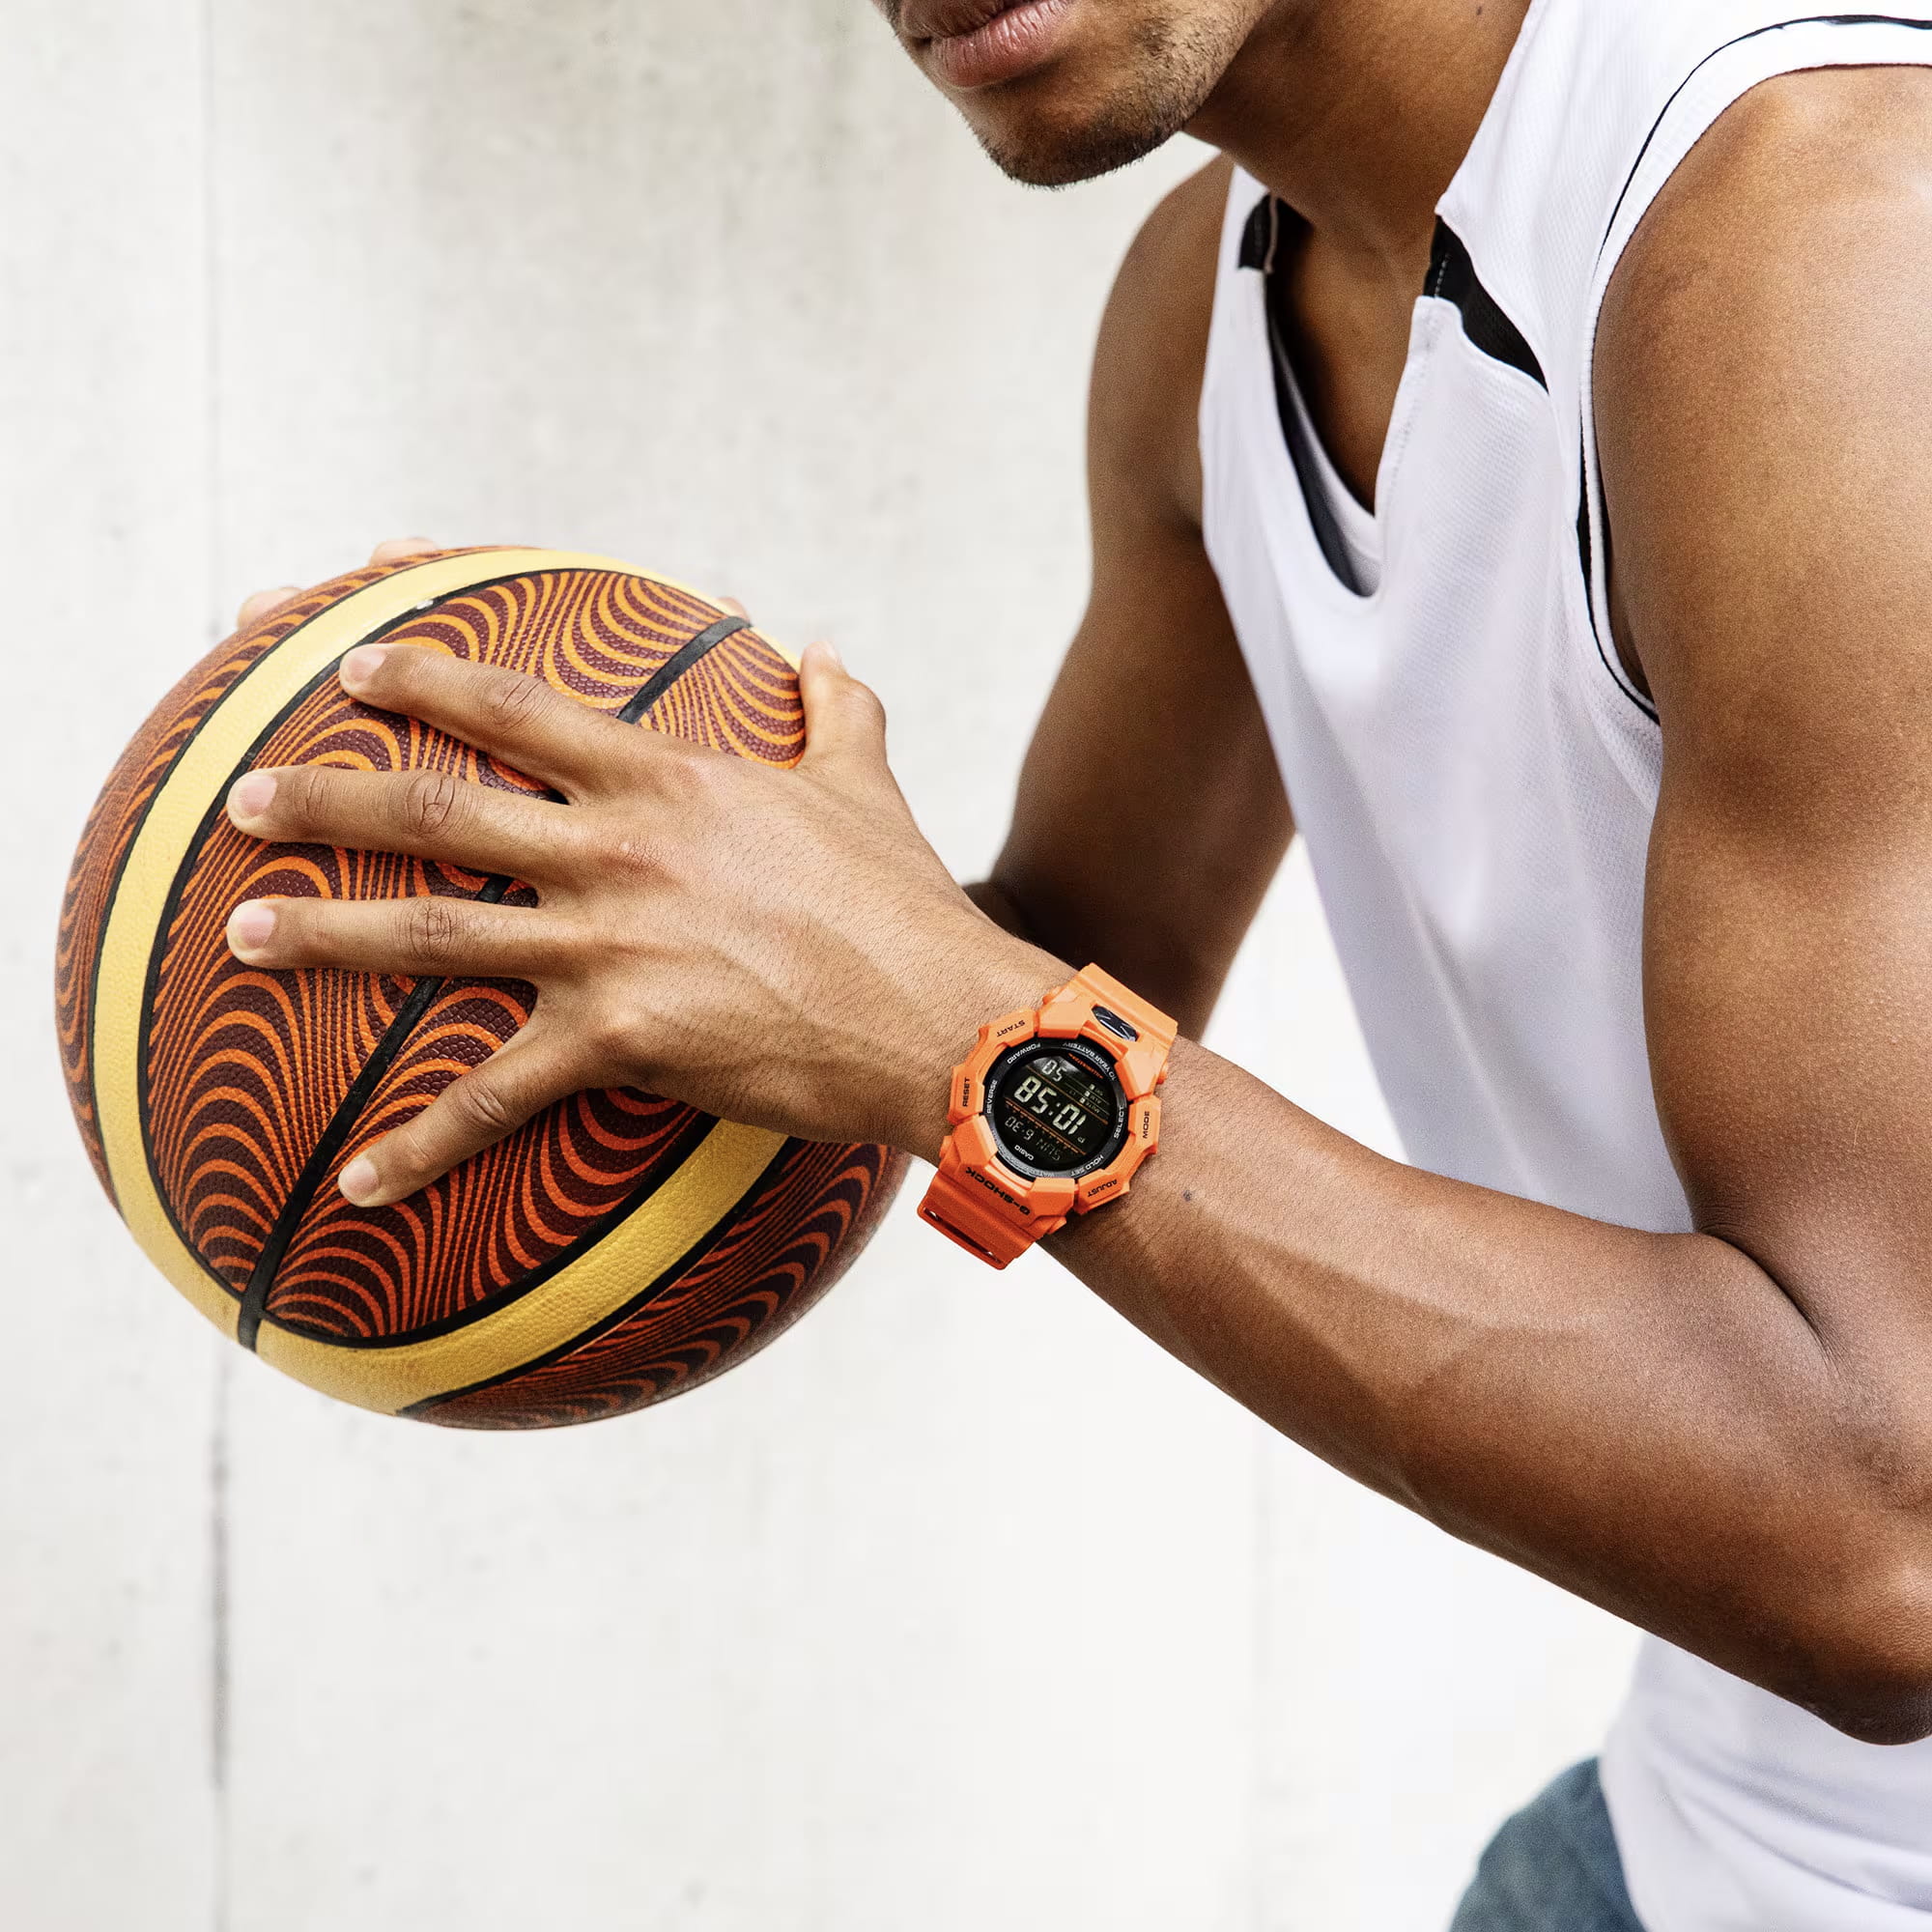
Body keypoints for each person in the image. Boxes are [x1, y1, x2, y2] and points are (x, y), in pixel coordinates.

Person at [219, 1, 1932, 1924]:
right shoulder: (1210, 311)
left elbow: (1883, 1545)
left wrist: (957, 1029)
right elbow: (1039, 969)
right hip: (1709, 1819)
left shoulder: (1824, 242)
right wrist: (524, 874)